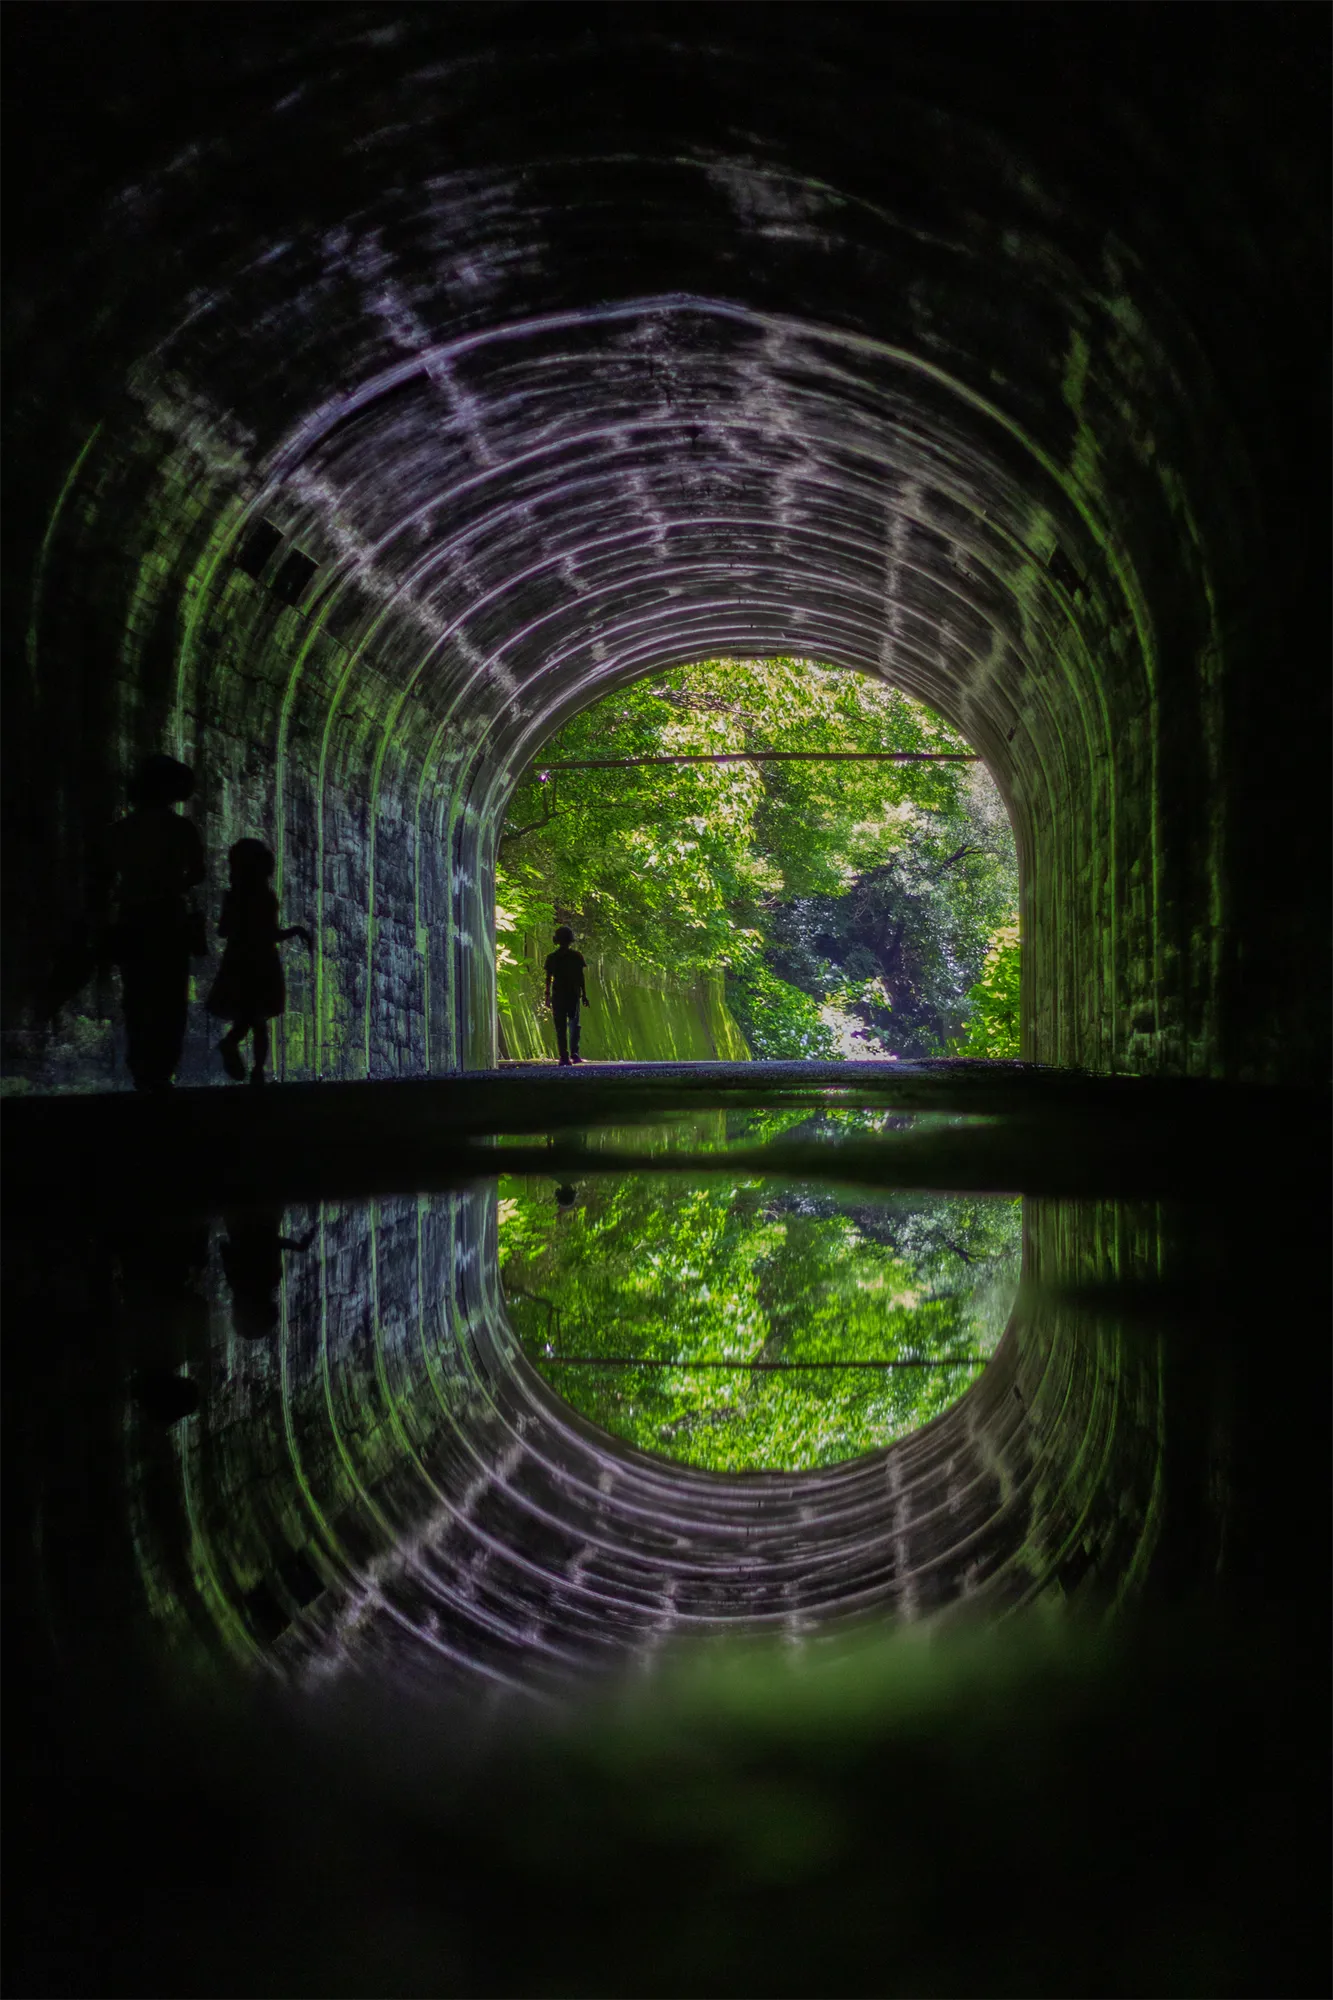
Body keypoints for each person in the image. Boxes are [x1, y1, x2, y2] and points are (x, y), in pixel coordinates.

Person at [101, 754, 207, 1091]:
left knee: (136, 994)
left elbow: (104, 876)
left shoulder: (121, 831)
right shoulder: (181, 829)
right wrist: (174, 884)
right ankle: (162, 1068)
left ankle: (141, 1068)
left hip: (133, 916)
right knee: (170, 996)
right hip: (168, 917)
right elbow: (198, 872)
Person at [206, 839, 312, 1086]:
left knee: (251, 1016)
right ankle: (255, 1069)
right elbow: (271, 933)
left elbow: (223, 931)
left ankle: (239, 1052)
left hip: (240, 958)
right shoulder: (264, 896)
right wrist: (295, 931)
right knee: (258, 1018)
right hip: (261, 959)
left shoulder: (236, 896)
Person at [543, 924, 589, 1066]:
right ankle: (574, 1053)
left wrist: (547, 995)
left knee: (560, 1026)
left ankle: (564, 1056)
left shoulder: (552, 958)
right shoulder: (576, 956)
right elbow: (581, 977)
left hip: (558, 994)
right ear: (570, 940)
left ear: (556, 940)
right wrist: (584, 995)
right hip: (573, 994)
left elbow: (548, 978)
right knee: (574, 1023)